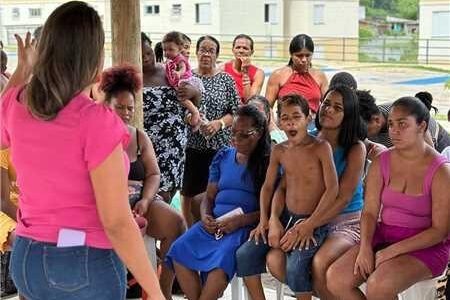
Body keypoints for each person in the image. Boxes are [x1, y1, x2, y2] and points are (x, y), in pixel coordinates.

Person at [0, 2, 163, 299]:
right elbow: (116, 222)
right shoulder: (95, 121)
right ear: (94, 56)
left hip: (27, 259)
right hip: (82, 262)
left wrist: (23, 69)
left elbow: (4, 113)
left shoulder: (18, 103)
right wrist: (156, 291)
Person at [327, 97, 450, 300]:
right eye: (391, 124)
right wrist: (365, 247)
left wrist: (392, 251)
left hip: (427, 246)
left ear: (422, 126)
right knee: (336, 279)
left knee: (379, 285)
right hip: (384, 235)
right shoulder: (382, 160)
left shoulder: (440, 171)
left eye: (403, 124)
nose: (394, 130)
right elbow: (369, 211)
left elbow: (440, 231)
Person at [166, 104, 271, 300]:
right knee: (179, 251)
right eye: (233, 133)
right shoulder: (223, 156)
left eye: (243, 135)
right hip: (214, 224)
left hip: (243, 228)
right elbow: (209, 196)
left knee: (219, 266)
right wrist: (205, 214)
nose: (236, 139)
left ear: (258, 133)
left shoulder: (268, 162)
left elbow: (272, 209)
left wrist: (240, 221)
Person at [100, 64, 186, 299]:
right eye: (120, 107)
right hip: (106, 207)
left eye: (130, 108)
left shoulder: (139, 136)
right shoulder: (95, 135)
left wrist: (147, 200)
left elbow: (154, 174)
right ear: (107, 105)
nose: (126, 113)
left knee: (177, 223)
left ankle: (163, 290)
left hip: (140, 201)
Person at [259, 94, 339, 300]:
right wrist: (268, 219)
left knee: (296, 265)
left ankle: (315, 293)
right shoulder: (279, 150)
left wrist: (310, 224)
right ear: (278, 120)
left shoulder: (321, 148)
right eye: (285, 118)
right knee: (271, 256)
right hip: (287, 218)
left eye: (297, 116)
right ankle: (313, 292)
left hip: (314, 221)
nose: (291, 122)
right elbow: (269, 187)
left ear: (309, 118)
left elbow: (332, 189)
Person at [181, 35, 240, 227]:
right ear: (196, 52)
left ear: (217, 55)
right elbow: (180, 109)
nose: (206, 54)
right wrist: (191, 118)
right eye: (202, 50)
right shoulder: (188, 79)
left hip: (219, 148)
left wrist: (219, 123)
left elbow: (236, 112)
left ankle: (211, 229)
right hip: (192, 146)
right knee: (188, 192)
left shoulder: (226, 80)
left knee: (215, 192)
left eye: (211, 51)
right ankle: (190, 231)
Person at [141, 32, 201, 203]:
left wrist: (194, 92)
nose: (146, 58)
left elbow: (195, 100)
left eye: (148, 53)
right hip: (147, 146)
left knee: (167, 194)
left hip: (173, 146)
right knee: (151, 195)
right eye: (141, 55)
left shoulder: (168, 70)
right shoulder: (131, 77)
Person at [265, 34, 328, 118]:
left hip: (312, 126)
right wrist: (273, 129)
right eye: (299, 55)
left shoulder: (320, 76)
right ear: (291, 54)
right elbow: (267, 108)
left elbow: (328, 105)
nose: (304, 60)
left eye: (308, 55)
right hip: (285, 125)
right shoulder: (278, 76)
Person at [162, 31, 203, 130]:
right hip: (179, 80)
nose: (167, 52)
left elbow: (183, 68)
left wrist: (178, 73)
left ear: (179, 49)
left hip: (184, 80)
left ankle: (194, 112)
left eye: (170, 49)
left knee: (182, 98)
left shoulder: (180, 58)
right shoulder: (170, 60)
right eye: (165, 50)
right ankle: (194, 117)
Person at [219, 34, 265, 103]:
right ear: (233, 50)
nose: (241, 51)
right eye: (238, 47)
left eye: (245, 48)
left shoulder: (258, 74)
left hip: (246, 111)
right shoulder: (222, 69)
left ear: (252, 52)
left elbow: (250, 101)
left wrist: (245, 73)